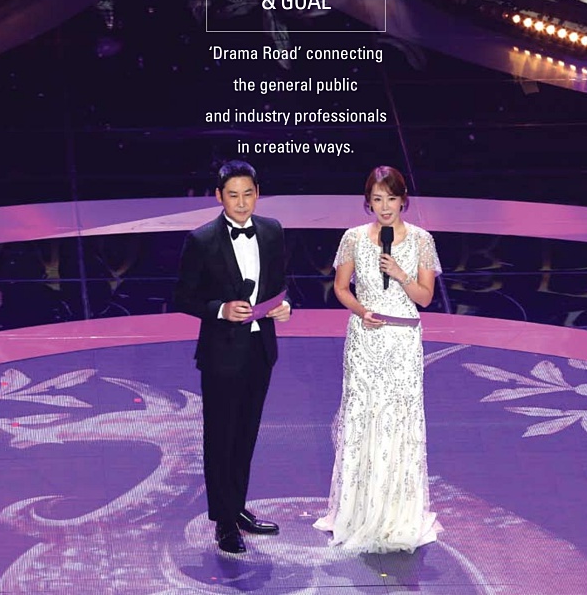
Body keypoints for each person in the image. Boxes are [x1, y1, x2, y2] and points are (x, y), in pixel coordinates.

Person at [314, 165, 442, 553]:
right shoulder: (353, 238)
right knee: (363, 415)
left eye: (391, 198)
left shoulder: (421, 240)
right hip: (365, 339)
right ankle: (357, 511)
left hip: (403, 341)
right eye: (377, 199)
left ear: (403, 200)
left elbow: (425, 298)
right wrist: (361, 311)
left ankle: (397, 512)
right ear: (368, 202)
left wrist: (401, 274)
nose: (385, 207)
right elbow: (341, 288)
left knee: (399, 418)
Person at [174, 160, 290, 554]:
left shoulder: (272, 231)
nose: (241, 203)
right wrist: (221, 310)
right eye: (233, 195)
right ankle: (224, 522)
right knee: (220, 437)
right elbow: (182, 297)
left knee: (246, 435)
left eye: (248, 194)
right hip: (221, 354)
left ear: (258, 194)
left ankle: (237, 508)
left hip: (261, 350)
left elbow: (280, 284)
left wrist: (284, 306)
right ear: (218, 196)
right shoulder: (202, 240)